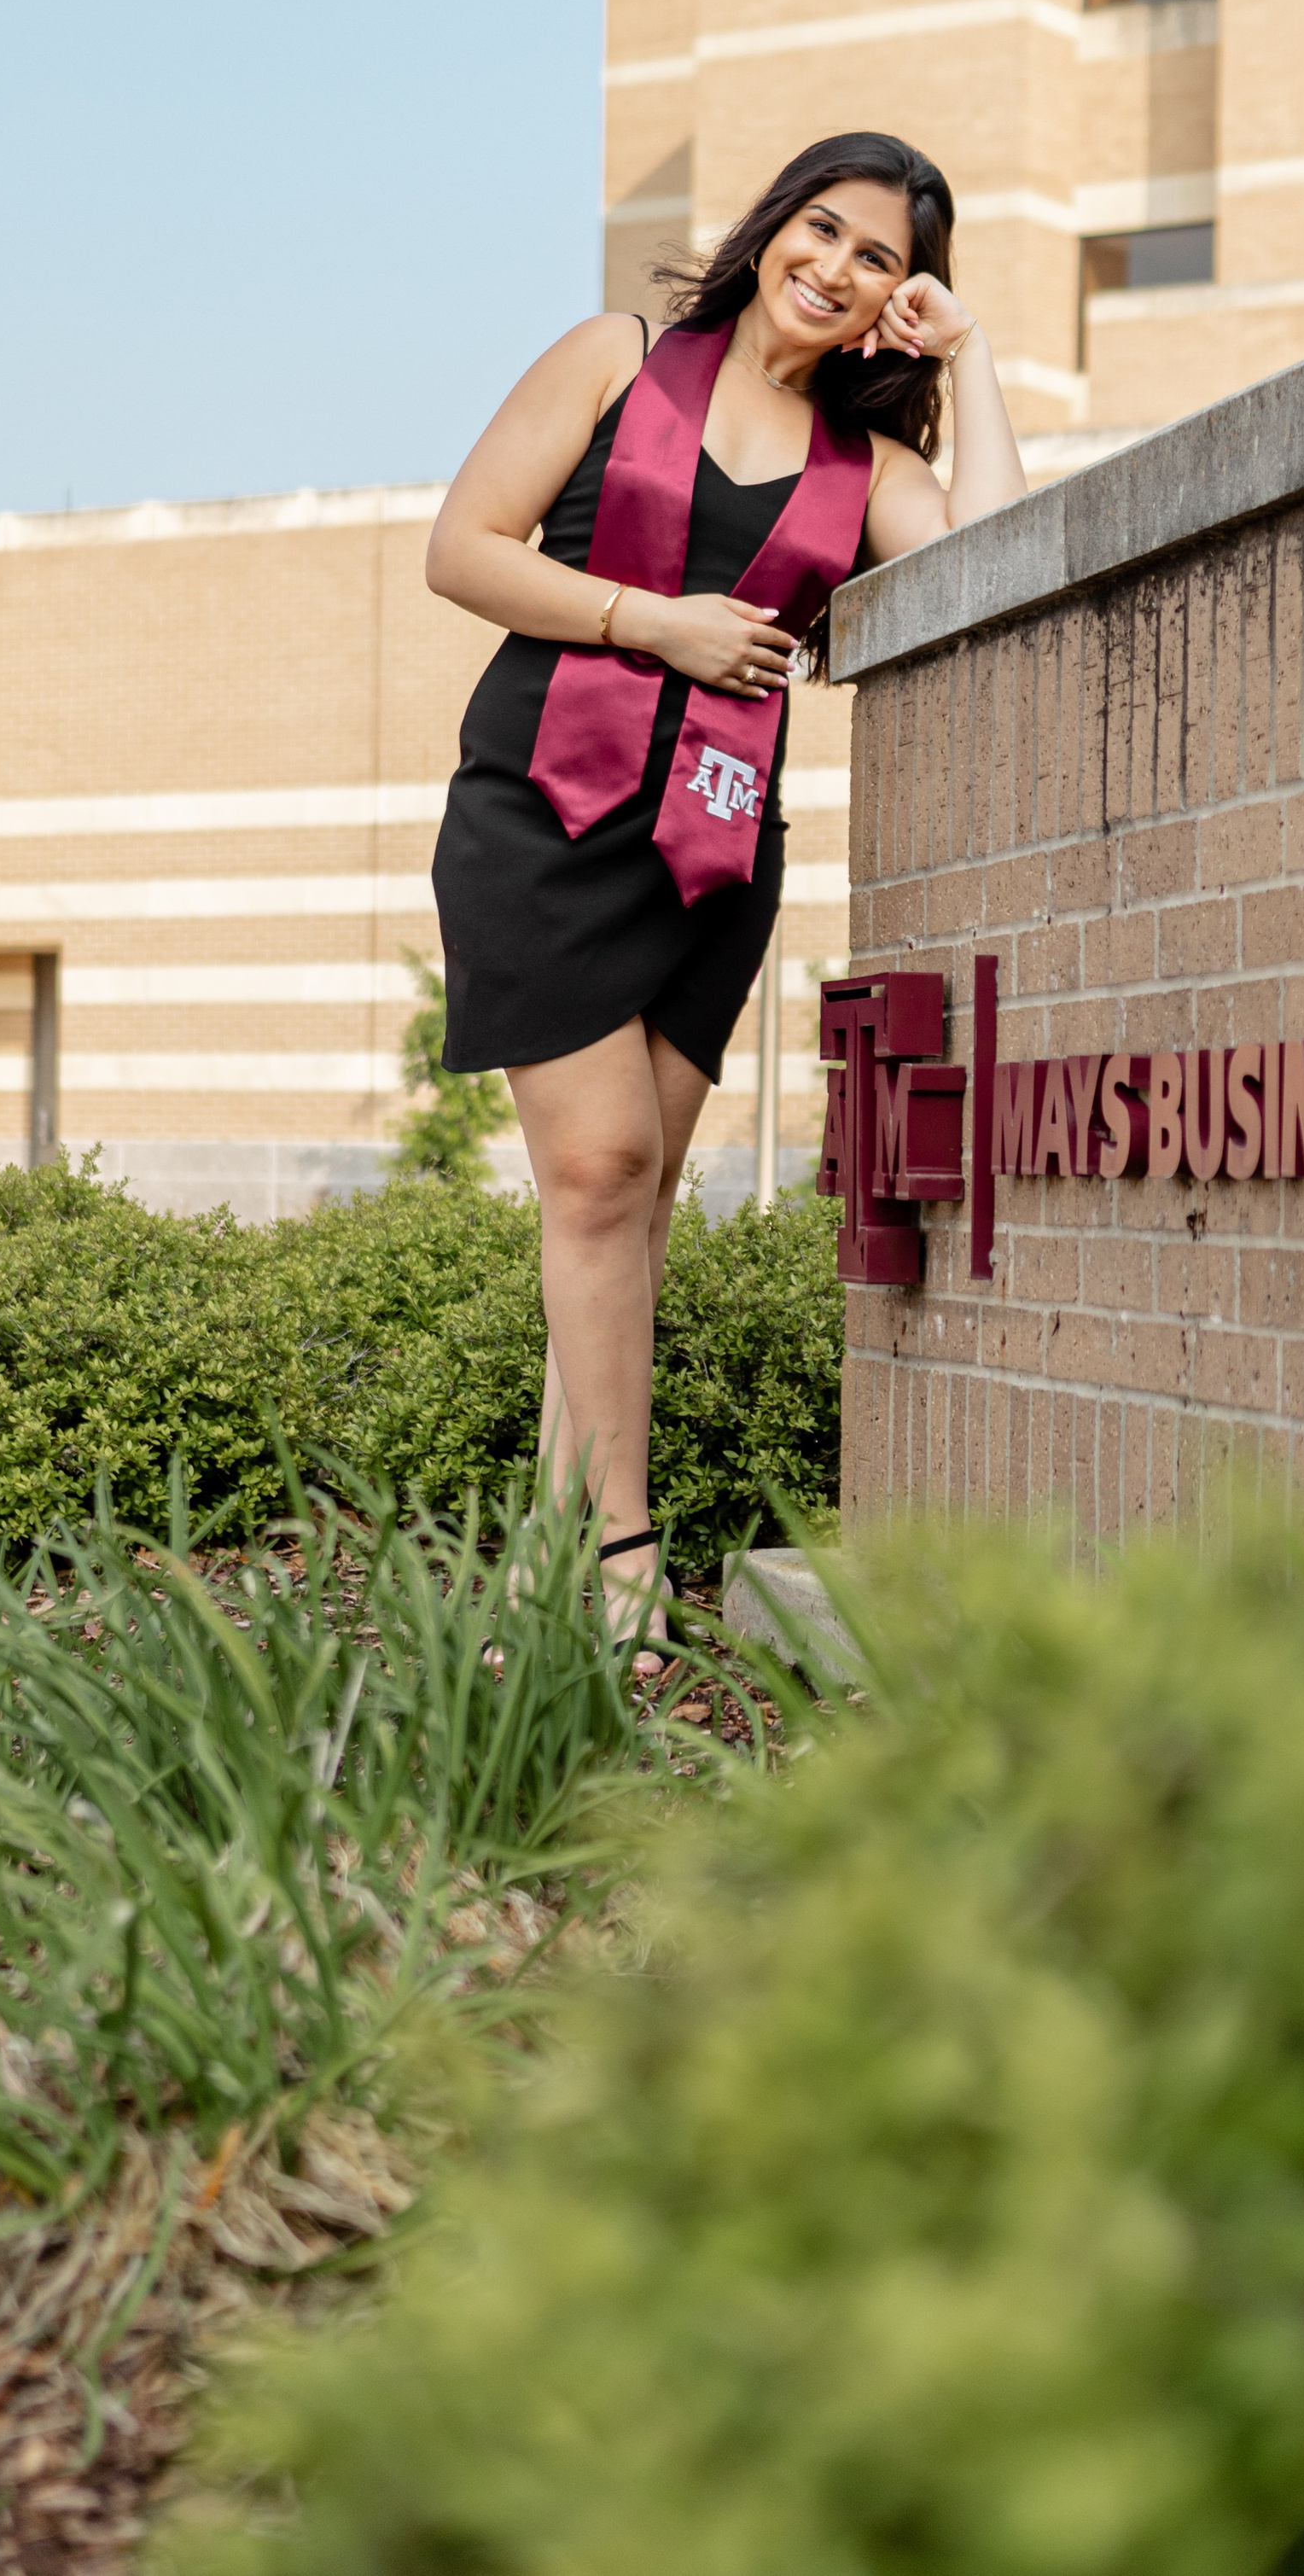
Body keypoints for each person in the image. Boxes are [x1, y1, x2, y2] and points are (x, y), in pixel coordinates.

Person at [425, 131, 1027, 1667]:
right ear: (774, 227)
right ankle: (622, 1554)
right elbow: (462, 549)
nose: (835, 266)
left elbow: (995, 565)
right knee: (605, 1166)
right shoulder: (617, 359)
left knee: (616, 1206)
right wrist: (659, 624)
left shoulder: (868, 469)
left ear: (901, 295)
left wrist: (979, 362)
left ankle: (542, 1569)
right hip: (541, 814)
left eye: (879, 259)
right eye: (822, 228)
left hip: (709, 852)